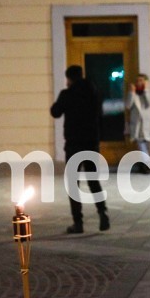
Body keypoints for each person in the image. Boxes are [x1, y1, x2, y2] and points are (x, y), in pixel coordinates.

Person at [50, 65, 110, 234]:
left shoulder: (67, 94)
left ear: (69, 78)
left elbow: (55, 112)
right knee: (93, 180)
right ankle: (102, 212)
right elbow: (100, 115)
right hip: (91, 142)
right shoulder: (94, 93)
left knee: (73, 184)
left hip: (74, 144)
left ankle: (78, 223)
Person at [125, 73, 150, 173]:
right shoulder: (132, 93)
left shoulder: (149, 92)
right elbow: (128, 105)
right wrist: (132, 93)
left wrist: (145, 90)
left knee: (145, 145)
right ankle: (147, 165)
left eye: (141, 80)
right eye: (137, 81)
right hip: (136, 123)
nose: (139, 83)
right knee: (140, 144)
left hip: (146, 123)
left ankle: (144, 166)